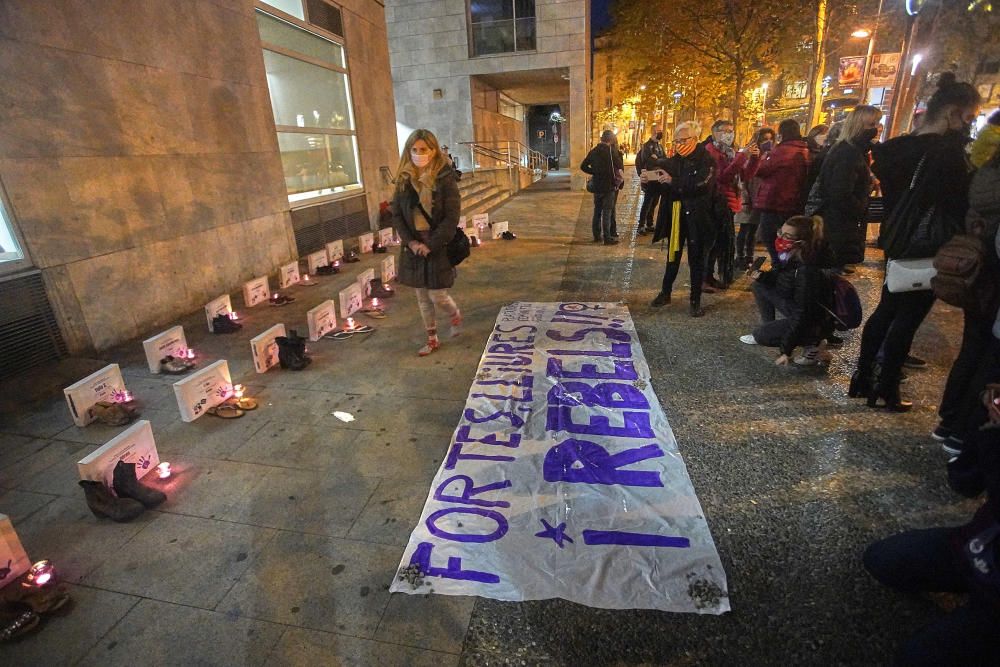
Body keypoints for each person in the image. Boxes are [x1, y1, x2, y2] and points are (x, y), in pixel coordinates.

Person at [850, 73, 981, 411]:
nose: (968, 126)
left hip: (897, 236)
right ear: (952, 113)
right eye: (968, 118)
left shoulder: (896, 149)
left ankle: (862, 378)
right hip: (928, 243)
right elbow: (958, 203)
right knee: (907, 319)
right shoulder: (946, 155)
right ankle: (887, 388)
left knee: (886, 309)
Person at [862, 398, 1000, 665]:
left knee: (915, 658)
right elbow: (964, 482)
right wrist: (983, 423)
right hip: (975, 546)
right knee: (882, 559)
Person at [934, 147, 1000, 451]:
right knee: (989, 359)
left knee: (972, 349)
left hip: (976, 273)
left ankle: (949, 421)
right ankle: (963, 430)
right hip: (992, 280)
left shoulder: (984, 176)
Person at [392, 129, 463, 357]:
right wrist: (411, 243)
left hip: (437, 245)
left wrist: (430, 244)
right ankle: (432, 339)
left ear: (433, 150)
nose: (419, 154)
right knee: (422, 297)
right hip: (413, 246)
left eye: (424, 149)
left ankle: (453, 312)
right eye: (414, 150)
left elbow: (451, 217)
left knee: (437, 295)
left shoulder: (444, 179)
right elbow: (397, 216)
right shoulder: (403, 179)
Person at [739, 216, 835, 365]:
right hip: (798, 307)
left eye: (787, 236)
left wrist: (786, 350)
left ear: (801, 242)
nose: (781, 239)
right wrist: (763, 277)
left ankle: (814, 344)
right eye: (780, 233)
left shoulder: (807, 270)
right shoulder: (794, 256)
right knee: (759, 285)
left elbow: (803, 313)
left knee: (761, 335)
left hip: (814, 321)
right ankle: (771, 327)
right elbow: (782, 280)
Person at [649, 122, 716, 317]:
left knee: (696, 260)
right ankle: (665, 292)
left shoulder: (707, 161)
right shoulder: (674, 161)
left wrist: (674, 182)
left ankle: (695, 300)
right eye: (676, 140)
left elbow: (703, 185)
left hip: (698, 217)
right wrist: (651, 182)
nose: (679, 144)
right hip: (676, 214)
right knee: (673, 256)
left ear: (695, 139)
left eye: (683, 140)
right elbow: (663, 187)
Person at [807, 105, 881, 271]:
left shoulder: (853, 150)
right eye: (871, 124)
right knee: (829, 274)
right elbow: (840, 192)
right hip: (838, 224)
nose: (876, 129)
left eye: (877, 124)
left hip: (839, 223)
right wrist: (860, 207)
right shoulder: (847, 152)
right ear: (858, 125)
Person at [748, 119, 811, 265]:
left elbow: (761, 170)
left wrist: (762, 157)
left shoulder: (782, 151)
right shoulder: (804, 149)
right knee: (789, 238)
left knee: (770, 236)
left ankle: (780, 267)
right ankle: (785, 266)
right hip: (793, 202)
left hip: (775, 201)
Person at [704, 119, 752, 289]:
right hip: (718, 201)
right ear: (714, 133)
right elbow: (722, 177)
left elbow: (744, 175)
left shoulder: (729, 152)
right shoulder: (712, 152)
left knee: (722, 242)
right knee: (715, 243)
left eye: (731, 130)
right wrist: (741, 157)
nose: (728, 134)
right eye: (724, 130)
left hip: (730, 201)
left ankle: (714, 276)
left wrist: (752, 159)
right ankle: (706, 277)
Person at [734, 127, 772, 269]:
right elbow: (743, 179)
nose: (767, 142)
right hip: (748, 197)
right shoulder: (750, 155)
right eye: (764, 139)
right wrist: (745, 199)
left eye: (770, 139)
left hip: (760, 198)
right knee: (744, 229)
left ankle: (749, 257)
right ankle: (740, 257)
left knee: (753, 231)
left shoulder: (769, 156)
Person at [581, 130, 623, 245]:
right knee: (607, 212)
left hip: (597, 186)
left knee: (597, 211)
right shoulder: (611, 151)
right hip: (609, 186)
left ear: (601, 139)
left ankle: (596, 235)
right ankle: (607, 237)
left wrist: (594, 172)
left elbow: (583, 166)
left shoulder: (593, 151)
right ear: (610, 140)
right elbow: (619, 166)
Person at [636, 124, 666, 234]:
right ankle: (641, 225)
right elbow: (646, 161)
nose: (661, 132)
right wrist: (657, 160)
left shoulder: (659, 146)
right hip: (650, 179)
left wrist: (658, 159)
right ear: (653, 132)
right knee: (647, 202)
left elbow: (665, 159)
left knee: (654, 202)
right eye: (659, 130)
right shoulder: (647, 146)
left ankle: (649, 223)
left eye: (661, 130)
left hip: (658, 179)